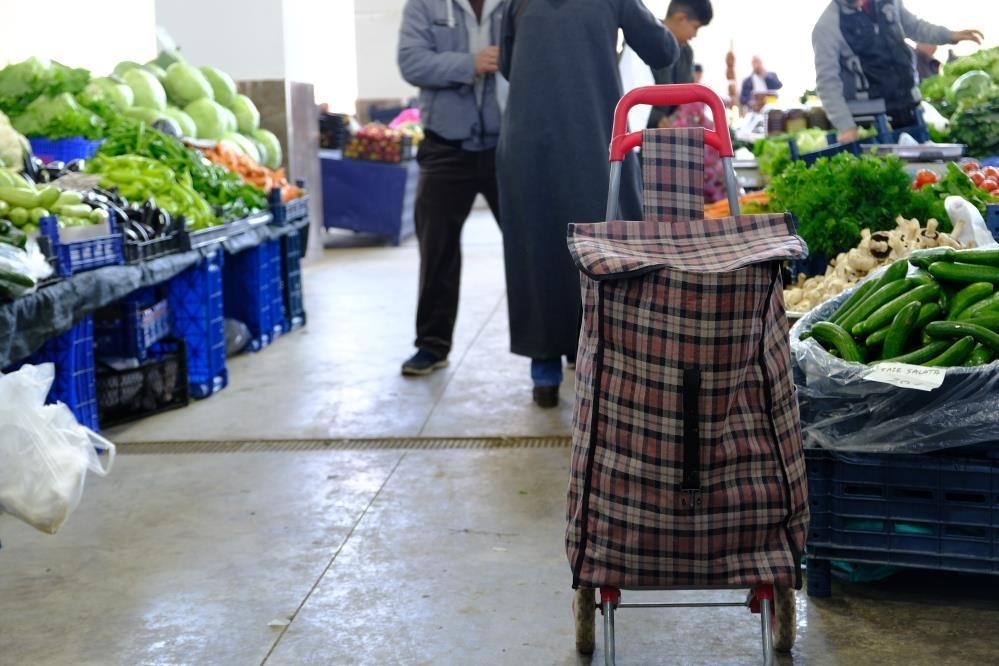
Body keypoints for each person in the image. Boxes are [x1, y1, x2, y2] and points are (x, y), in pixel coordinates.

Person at [497, 0, 679, 408]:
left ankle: (544, 370)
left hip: (529, 141)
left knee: (537, 247)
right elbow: (663, 50)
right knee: (605, 247)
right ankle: (599, 363)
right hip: (592, 139)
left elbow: (509, 65)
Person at [397, 0, 508, 376]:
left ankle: (559, 343)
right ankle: (431, 345)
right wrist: (469, 64)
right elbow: (411, 61)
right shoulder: (424, 5)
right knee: (437, 248)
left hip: (507, 145)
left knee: (532, 247)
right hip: (445, 146)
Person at [812, 0, 982, 143]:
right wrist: (846, 126)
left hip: (909, 108)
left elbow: (915, 27)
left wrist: (949, 36)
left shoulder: (890, 2)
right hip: (871, 122)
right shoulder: (827, 26)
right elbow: (827, 83)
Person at [647, 0, 714, 129]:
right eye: (695, 27)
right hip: (638, 131)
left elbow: (687, 95)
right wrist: (656, 118)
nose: (695, 35)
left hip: (670, 131)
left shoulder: (687, 53)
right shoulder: (643, 40)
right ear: (681, 18)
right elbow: (625, 89)